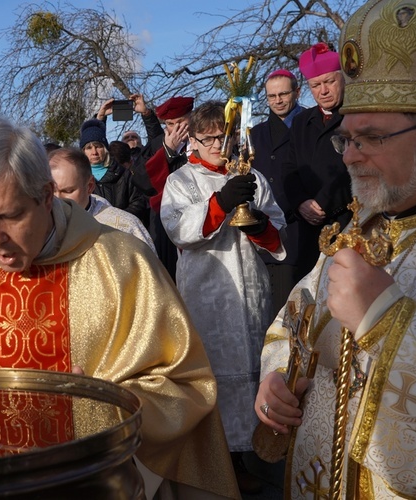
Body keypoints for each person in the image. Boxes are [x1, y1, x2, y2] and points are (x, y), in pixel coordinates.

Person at [0, 118, 239, 499]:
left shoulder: (123, 264)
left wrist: (106, 405)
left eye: (11, 215)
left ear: (47, 196)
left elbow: (186, 384)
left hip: (98, 484)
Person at [257, 1, 416, 497]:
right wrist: (274, 379)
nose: (350, 155)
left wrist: (385, 319)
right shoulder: (358, 228)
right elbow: (294, 316)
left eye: (371, 137)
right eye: (346, 139)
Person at [159, 100, 286, 493]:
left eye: (223, 137)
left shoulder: (253, 176)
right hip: (207, 294)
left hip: (251, 291)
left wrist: (260, 222)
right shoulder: (181, 181)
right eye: (209, 138)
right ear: (192, 142)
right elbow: (179, 229)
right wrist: (222, 202)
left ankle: (257, 456)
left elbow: (277, 236)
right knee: (213, 376)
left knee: (254, 369)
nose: (217, 144)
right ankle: (218, 463)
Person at [282, 42, 352, 280]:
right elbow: (289, 168)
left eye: (329, 82)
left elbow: (356, 166)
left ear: (342, 78)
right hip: (307, 228)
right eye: (316, 85)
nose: (323, 90)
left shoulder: (357, 115)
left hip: (347, 222)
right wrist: (301, 202)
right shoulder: (301, 121)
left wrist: (323, 202)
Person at [251, 69, 304, 316]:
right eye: (271, 96)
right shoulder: (256, 133)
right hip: (265, 231)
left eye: (283, 94)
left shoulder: (308, 123)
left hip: (300, 227)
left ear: (297, 92)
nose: (278, 100)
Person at [48, 147, 155, 252]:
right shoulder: (40, 227)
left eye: (68, 191)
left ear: (89, 186)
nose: (58, 200)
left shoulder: (125, 228)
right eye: (51, 192)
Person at [144, 96, 195, 281]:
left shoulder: (204, 139)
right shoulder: (158, 144)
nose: (176, 129)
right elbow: (142, 182)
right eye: (170, 124)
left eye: (181, 121)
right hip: (167, 225)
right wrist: (167, 151)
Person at [78, 119, 147, 223]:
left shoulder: (123, 174)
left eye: (98, 146)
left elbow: (138, 202)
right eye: (89, 148)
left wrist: (117, 220)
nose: (94, 152)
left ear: (105, 148)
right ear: (83, 151)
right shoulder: (78, 178)